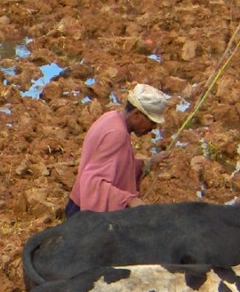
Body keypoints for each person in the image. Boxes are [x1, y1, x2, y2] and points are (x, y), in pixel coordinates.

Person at [65, 83, 169, 218]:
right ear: (137, 114)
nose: (154, 127)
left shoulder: (111, 117)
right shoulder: (117, 134)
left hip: (77, 203)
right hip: (85, 218)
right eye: (151, 121)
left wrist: (149, 164)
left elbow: (117, 167)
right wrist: (130, 200)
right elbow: (92, 181)